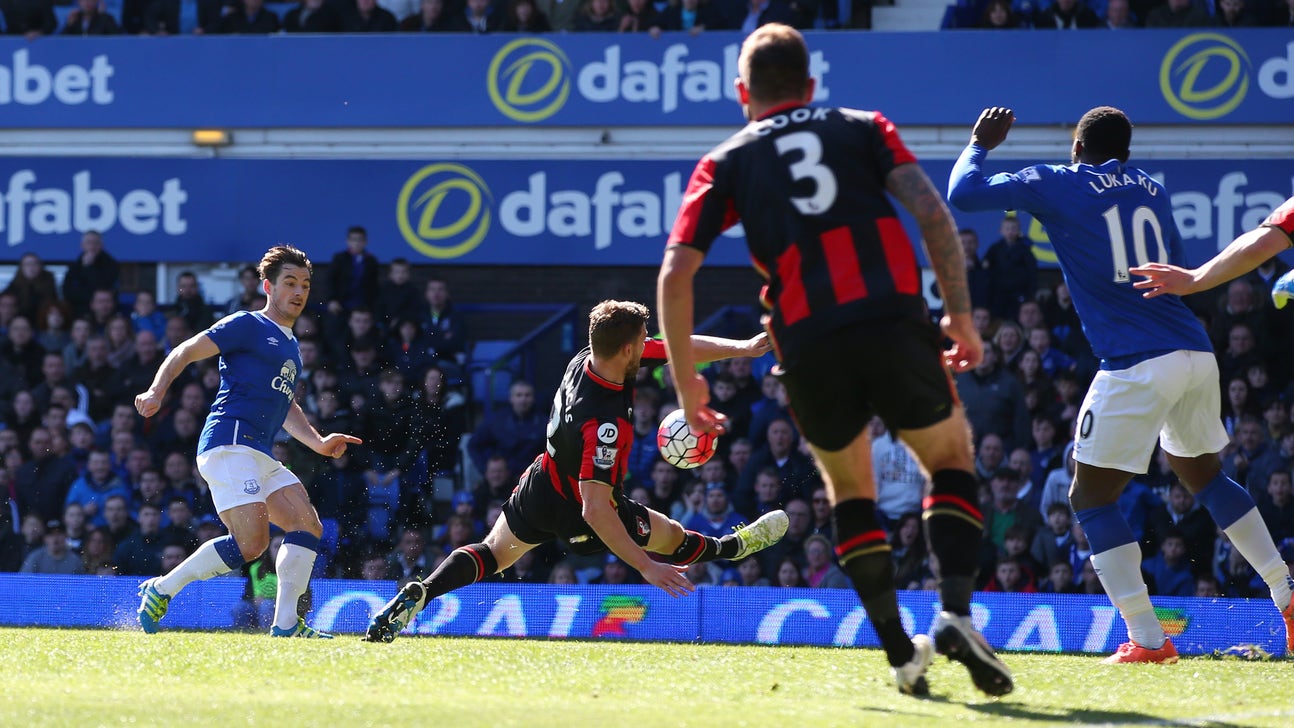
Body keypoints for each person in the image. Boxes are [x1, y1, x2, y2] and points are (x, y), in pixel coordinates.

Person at [656, 25, 1011, 697]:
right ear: (811, 86)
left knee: (852, 494)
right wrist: (960, 315)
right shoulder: (863, 125)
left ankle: (902, 655)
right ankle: (958, 613)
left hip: (807, 338)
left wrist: (685, 384)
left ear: (741, 93)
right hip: (893, 317)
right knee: (950, 462)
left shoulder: (724, 162)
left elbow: (676, 274)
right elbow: (933, 213)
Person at [948, 106, 1294, 663]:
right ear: (1126, 153)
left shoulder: (1059, 180)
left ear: (1077, 148)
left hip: (1135, 362)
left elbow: (964, 193)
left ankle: (1149, 639)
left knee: (1088, 496)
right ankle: (1286, 591)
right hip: (1194, 352)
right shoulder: (1152, 191)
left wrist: (978, 144)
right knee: (1205, 477)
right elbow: (1176, 269)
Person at [364, 300, 788, 643]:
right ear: (627, 350)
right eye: (643, 340)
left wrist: (744, 348)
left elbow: (674, 348)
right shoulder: (605, 424)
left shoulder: (588, 357)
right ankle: (733, 547)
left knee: (492, 553)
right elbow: (595, 510)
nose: (649, 344)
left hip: (542, 483)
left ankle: (421, 593)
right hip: (582, 506)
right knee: (672, 538)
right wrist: (645, 566)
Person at [133, 246, 362, 639]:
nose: (299, 291)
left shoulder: (290, 346)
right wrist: (156, 391)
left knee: (307, 525)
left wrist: (319, 442)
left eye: (305, 284)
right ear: (268, 286)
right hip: (229, 443)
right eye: (290, 282)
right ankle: (161, 588)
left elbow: (285, 404)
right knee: (251, 544)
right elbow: (186, 350)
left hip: (258, 452)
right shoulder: (247, 324)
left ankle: (287, 624)